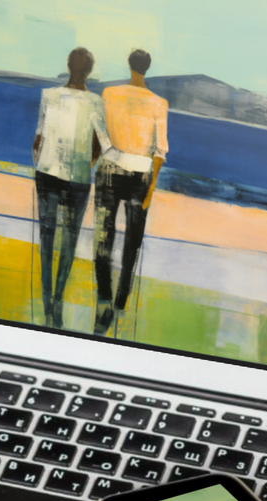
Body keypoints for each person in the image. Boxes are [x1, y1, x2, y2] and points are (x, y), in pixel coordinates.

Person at [32, 48, 111, 329]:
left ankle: (46, 303)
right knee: (69, 242)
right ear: (89, 71)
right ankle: (58, 297)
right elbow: (101, 144)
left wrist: (43, 163)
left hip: (47, 172)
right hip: (78, 178)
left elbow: (38, 141)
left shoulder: (48, 96)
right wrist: (84, 165)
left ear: (67, 66)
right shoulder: (95, 103)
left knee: (46, 238)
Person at [93, 49, 168, 335]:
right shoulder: (159, 103)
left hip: (110, 169)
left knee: (103, 238)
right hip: (141, 173)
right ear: (147, 68)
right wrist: (151, 189)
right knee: (132, 243)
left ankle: (104, 300)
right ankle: (122, 298)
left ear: (129, 64)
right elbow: (159, 150)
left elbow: (100, 137)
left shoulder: (109, 94)